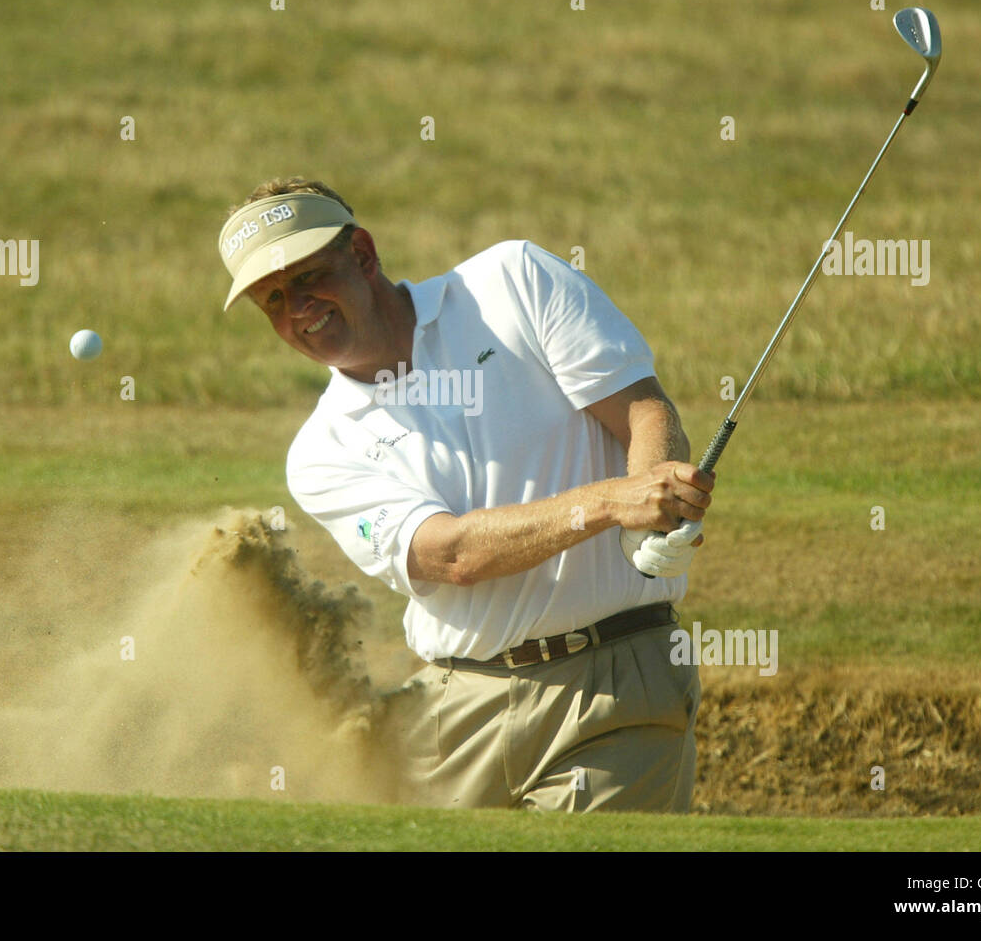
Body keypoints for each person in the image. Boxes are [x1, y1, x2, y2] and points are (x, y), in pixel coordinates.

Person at [218, 176, 715, 812]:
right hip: (454, 711)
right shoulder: (320, 453)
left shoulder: (512, 282)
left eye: (309, 276)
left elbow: (644, 411)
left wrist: (656, 511)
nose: (297, 309)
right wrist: (614, 502)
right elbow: (450, 557)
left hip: (615, 685)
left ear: (363, 255)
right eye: (274, 299)